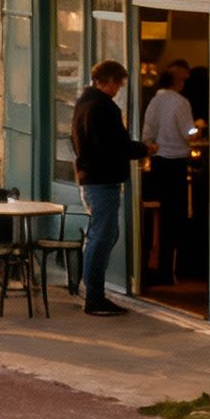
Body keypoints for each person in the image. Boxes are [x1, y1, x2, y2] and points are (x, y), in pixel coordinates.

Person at [71, 58, 148, 316]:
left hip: (91, 178)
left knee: (104, 235)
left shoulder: (84, 103)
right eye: (119, 83)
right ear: (111, 81)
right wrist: (145, 149)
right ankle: (94, 295)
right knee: (101, 237)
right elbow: (117, 145)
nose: (119, 89)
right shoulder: (103, 108)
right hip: (101, 181)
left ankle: (92, 289)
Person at [140, 63, 196, 286]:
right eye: (183, 79)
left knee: (161, 217)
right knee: (176, 218)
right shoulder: (181, 103)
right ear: (176, 81)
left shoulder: (154, 101)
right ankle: (173, 268)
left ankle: (154, 267)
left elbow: (147, 132)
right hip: (177, 163)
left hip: (158, 161)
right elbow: (188, 132)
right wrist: (197, 130)